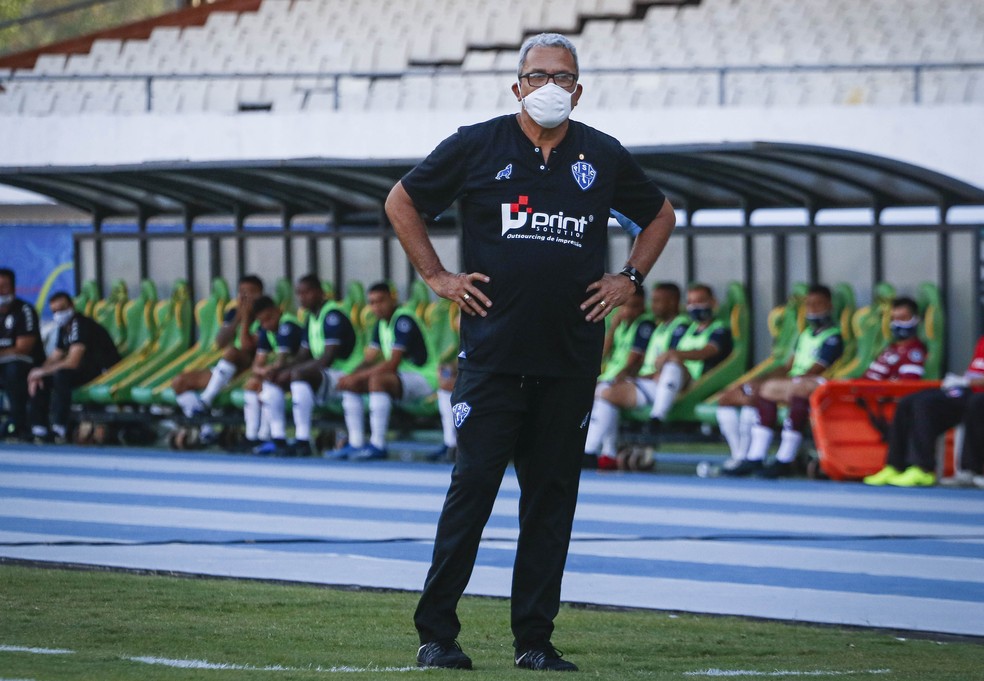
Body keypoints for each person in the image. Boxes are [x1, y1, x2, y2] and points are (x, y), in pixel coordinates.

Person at [384, 33, 674, 671]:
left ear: (579, 88)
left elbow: (659, 214)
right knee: (473, 496)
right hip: (491, 360)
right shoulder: (476, 144)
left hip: (569, 363)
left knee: (550, 509)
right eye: (538, 75)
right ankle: (437, 635)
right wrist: (437, 276)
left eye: (563, 77)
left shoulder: (600, 154)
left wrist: (631, 278)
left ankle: (534, 643)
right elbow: (401, 200)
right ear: (516, 86)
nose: (550, 87)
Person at [725, 284, 843, 478]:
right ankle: (756, 456)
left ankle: (785, 458)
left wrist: (784, 382)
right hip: (795, 382)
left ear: (830, 306)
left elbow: (818, 369)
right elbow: (788, 366)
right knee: (765, 391)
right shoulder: (805, 335)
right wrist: (760, 379)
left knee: (793, 391)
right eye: (809, 305)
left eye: (818, 304)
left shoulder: (833, 337)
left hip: (821, 384)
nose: (813, 310)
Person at [330, 282, 437, 461]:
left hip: (426, 378)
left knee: (377, 381)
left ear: (392, 299)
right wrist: (350, 377)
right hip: (404, 379)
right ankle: (356, 443)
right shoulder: (380, 324)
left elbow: (392, 364)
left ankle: (378, 444)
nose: (376, 307)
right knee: (352, 384)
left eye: (381, 301)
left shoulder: (403, 320)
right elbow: (369, 358)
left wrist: (357, 376)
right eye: (372, 303)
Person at [582, 283, 684, 470]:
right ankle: (605, 453)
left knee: (604, 393)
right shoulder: (628, 325)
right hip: (643, 381)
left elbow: (634, 361)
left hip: (663, 383)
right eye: (625, 305)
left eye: (635, 305)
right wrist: (613, 326)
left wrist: (621, 377)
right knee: (603, 395)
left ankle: (593, 450)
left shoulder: (646, 325)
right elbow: (602, 354)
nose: (653, 306)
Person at [864, 334, 984, 488]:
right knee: (913, 401)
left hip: (978, 396)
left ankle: (925, 468)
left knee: (976, 402)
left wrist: (968, 382)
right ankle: (895, 465)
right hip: (968, 391)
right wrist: (962, 381)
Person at [170, 274, 263, 446]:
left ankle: (206, 400)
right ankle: (206, 429)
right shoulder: (234, 312)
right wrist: (238, 318)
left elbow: (247, 346)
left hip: (248, 368)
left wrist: (247, 317)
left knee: (232, 352)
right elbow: (220, 342)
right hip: (225, 369)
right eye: (241, 292)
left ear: (260, 294)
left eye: (250, 293)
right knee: (179, 382)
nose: (245, 297)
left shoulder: (263, 314)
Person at [283, 274, 361, 457]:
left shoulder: (333, 315)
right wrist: (280, 371)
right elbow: (302, 355)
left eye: (306, 292)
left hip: (345, 372)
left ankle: (303, 439)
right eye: (299, 293)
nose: (302, 297)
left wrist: (294, 371)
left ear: (320, 293)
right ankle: (279, 438)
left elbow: (327, 359)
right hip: (328, 374)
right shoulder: (311, 318)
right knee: (277, 379)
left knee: (299, 375)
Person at [27, 291, 120, 443]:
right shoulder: (63, 328)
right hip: (84, 370)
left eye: (62, 309)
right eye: (55, 311)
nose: (59, 314)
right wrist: (37, 373)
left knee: (62, 375)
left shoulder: (80, 324)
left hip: (105, 371)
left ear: (71, 307)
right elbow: (55, 356)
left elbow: (73, 362)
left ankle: (59, 428)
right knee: (42, 378)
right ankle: (39, 428)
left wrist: (42, 372)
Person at [242, 295, 304, 456]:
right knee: (253, 385)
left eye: (269, 319)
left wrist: (265, 372)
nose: (266, 325)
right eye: (262, 321)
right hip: (285, 375)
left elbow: (282, 361)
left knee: (268, 385)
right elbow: (257, 365)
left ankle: (276, 438)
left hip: (301, 373)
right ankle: (254, 437)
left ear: (278, 311)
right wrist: (263, 372)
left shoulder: (288, 325)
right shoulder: (266, 330)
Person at [0, 268, 45, 441]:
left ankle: (16, 422)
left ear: (13, 288)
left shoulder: (24, 310)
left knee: (13, 370)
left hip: (26, 364)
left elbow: (23, 348)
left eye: (4, 286)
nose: (0, 290)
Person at [861, 296, 927, 382]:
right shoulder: (891, 347)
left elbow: (907, 387)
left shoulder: (913, 352)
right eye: (893, 319)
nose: (897, 323)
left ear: (917, 320)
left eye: (903, 318)